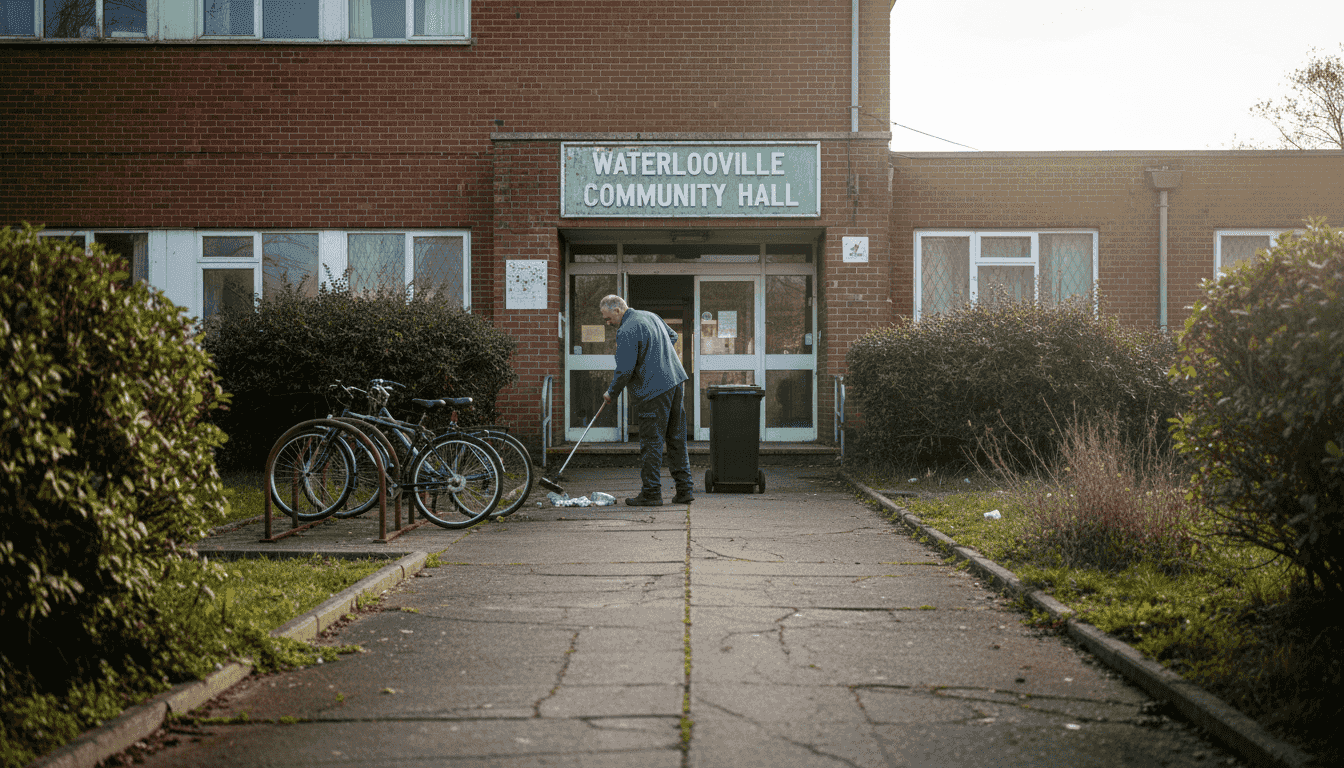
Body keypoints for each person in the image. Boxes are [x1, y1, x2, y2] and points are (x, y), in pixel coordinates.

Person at [600, 294, 694, 506]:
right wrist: (657, 355)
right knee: (676, 437)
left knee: (652, 442)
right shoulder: (650, 316)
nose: (608, 323)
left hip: (654, 389)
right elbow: (672, 336)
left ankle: (651, 493)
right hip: (676, 381)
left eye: (607, 318)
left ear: (617, 310)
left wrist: (611, 393)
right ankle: (685, 490)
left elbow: (624, 370)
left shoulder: (626, 330)